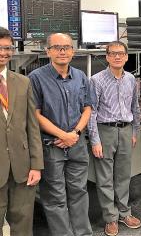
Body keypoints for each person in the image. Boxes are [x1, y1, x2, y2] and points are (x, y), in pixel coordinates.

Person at [29, 33, 93, 236]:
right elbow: (35, 114)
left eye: (66, 47)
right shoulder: (36, 78)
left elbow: (88, 108)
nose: (62, 51)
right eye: (57, 47)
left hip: (77, 145)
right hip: (51, 147)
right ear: (48, 51)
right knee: (55, 197)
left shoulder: (81, 76)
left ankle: (83, 233)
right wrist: (62, 135)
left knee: (79, 192)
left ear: (73, 51)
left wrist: (74, 133)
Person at [88, 41, 141, 236]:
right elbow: (91, 112)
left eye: (121, 53)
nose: (117, 57)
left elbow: (135, 108)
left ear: (127, 56)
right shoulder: (96, 80)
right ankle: (110, 217)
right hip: (105, 131)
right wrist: (95, 140)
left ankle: (124, 213)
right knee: (104, 178)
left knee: (123, 176)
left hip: (126, 131)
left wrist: (134, 132)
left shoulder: (131, 80)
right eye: (113, 53)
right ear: (107, 57)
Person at [0, 27, 43, 236]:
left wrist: (36, 165)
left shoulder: (23, 82)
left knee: (23, 224)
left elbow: (32, 128)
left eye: (7, 48)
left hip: (22, 168)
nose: (4, 53)